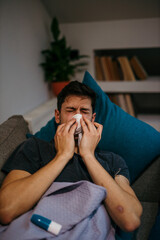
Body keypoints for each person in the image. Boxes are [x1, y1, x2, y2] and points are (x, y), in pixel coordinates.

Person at [0, 81, 142, 233]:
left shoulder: (112, 161)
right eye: (71, 110)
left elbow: (130, 220)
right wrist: (63, 155)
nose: (78, 117)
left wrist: (87, 155)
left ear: (93, 119)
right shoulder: (34, 147)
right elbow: (6, 210)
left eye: (84, 111)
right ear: (57, 116)